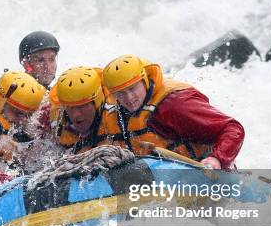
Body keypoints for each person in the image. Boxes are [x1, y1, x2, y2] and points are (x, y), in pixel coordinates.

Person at [102, 54, 245, 169]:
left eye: (132, 88)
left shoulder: (175, 104)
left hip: (205, 177)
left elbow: (232, 128)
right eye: (120, 93)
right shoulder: (116, 112)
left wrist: (217, 159)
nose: (128, 98)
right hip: (161, 183)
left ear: (145, 81)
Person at [54, 66, 116, 153]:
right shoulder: (54, 122)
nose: (75, 115)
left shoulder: (118, 118)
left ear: (96, 102)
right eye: (70, 107)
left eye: (81, 106)